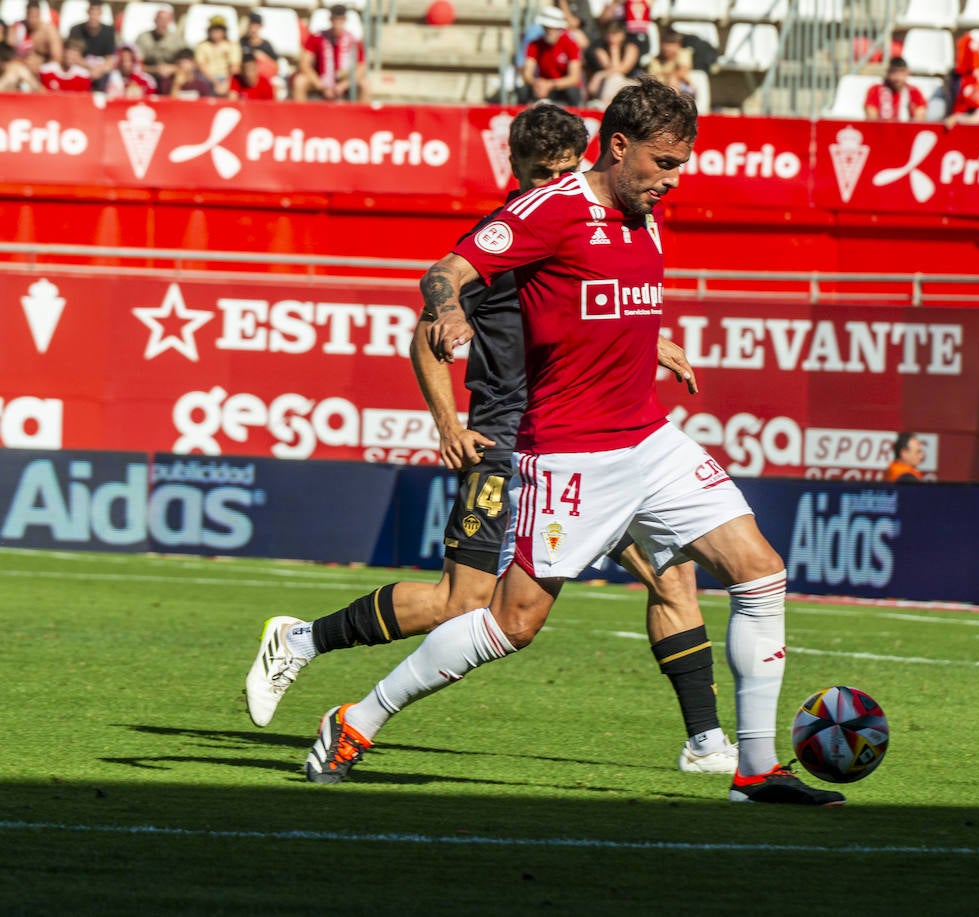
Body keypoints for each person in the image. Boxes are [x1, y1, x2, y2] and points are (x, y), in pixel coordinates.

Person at [303, 80, 843, 806]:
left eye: (682, 162)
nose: (674, 178)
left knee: (759, 570)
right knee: (511, 622)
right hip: (569, 454)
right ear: (618, 148)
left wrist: (655, 342)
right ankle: (357, 718)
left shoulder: (643, 212)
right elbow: (444, 272)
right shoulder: (550, 210)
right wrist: (450, 310)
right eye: (664, 161)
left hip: (649, 440)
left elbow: (602, 304)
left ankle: (755, 768)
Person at [250, 103, 738, 778]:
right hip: (513, 440)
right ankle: (303, 638)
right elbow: (427, 337)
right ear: (518, 171)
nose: (553, 184)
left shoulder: (592, 219)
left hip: (602, 440)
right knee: (466, 603)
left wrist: (649, 337)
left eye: (565, 172)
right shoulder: (506, 238)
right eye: (542, 173)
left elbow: (589, 308)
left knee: (673, 573)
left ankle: (707, 743)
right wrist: (449, 423)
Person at [294, 4, 369, 102]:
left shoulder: (353, 40)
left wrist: (343, 85)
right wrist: (319, 84)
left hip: (343, 79)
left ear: (345, 20)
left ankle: (362, 116)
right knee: (300, 81)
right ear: (330, 20)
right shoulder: (317, 37)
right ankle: (300, 114)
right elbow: (304, 64)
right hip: (320, 78)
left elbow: (361, 67)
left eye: (340, 20)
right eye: (335, 20)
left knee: (365, 84)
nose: (337, 23)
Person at [519, 5, 583, 106]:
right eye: (547, 28)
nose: (550, 31)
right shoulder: (534, 45)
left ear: (559, 29)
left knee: (573, 91)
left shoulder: (571, 44)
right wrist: (536, 83)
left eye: (553, 28)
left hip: (561, 88)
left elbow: (574, 78)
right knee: (523, 91)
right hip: (542, 86)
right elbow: (527, 73)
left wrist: (551, 84)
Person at [585, 19, 639, 108]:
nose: (612, 37)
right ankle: (605, 104)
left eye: (615, 34)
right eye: (609, 33)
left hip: (628, 82)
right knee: (613, 78)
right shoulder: (600, 49)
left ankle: (604, 105)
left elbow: (624, 70)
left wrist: (600, 74)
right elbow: (610, 67)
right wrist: (613, 50)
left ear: (623, 35)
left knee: (614, 78)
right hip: (607, 83)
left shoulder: (631, 47)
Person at [864, 56, 927, 121]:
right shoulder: (876, 90)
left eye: (901, 72)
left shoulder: (914, 92)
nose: (897, 78)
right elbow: (871, 119)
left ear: (907, 73)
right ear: (888, 72)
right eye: (893, 72)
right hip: (881, 130)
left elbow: (919, 119)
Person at [134, 4, 185, 83]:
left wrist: (172, 68)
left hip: (171, 79)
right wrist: (155, 69)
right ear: (155, 20)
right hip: (147, 77)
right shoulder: (143, 38)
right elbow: (135, 64)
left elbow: (187, 63)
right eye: (160, 19)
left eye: (166, 19)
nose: (163, 23)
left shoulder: (177, 40)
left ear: (171, 21)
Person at [66, 0, 114, 80]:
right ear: (87, 12)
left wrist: (99, 69)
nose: (94, 16)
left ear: (101, 13)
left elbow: (110, 58)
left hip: (100, 71)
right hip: (80, 68)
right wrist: (90, 67)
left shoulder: (109, 31)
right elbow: (72, 56)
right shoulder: (76, 30)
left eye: (97, 12)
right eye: (92, 11)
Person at [194, 15, 240, 97]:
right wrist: (215, 83)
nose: (216, 32)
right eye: (214, 29)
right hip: (208, 79)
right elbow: (201, 68)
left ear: (224, 31)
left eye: (219, 29)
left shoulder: (232, 45)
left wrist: (227, 83)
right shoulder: (202, 46)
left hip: (227, 79)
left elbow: (234, 68)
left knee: (235, 85)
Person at [8, 0, 63, 67]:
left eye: (35, 16)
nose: (32, 20)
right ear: (26, 14)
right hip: (20, 65)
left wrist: (40, 64)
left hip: (43, 68)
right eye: (30, 16)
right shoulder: (17, 27)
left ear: (40, 15)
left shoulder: (49, 31)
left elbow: (57, 58)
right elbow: (7, 52)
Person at [643, 28, 694, 98]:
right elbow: (652, 79)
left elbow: (682, 71)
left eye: (671, 44)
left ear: (679, 45)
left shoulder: (683, 53)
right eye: (666, 44)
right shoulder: (654, 60)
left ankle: (674, 104)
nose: (668, 48)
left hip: (684, 89)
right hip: (661, 90)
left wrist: (666, 75)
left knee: (673, 79)